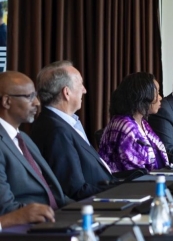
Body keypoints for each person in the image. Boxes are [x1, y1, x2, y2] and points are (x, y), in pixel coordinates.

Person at [32, 61, 117, 200]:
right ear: (66, 92)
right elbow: (75, 190)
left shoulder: (62, 123)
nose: (84, 90)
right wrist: (122, 190)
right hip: (92, 209)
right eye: (80, 85)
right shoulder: (56, 131)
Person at [0, 71, 68, 214]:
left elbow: (54, 194)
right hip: (27, 228)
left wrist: (87, 208)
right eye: (29, 97)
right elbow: (6, 209)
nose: (37, 103)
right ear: (6, 101)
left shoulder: (24, 138)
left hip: (58, 216)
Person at [98, 73, 170, 173]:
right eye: (157, 93)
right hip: (132, 186)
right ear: (144, 95)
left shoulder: (142, 123)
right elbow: (135, 172)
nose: (161, 97)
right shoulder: (124, 126)